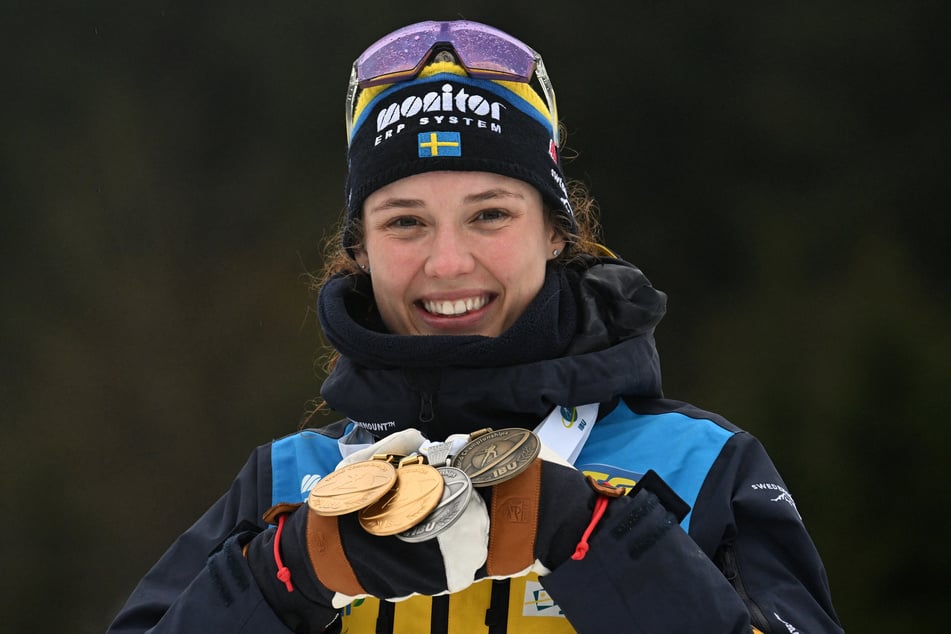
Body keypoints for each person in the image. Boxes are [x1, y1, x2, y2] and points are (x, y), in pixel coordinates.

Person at [108, 19, 843, 634]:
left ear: (555, 232)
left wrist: (600, 537)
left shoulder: (693, 464)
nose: (448, 262)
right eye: (405, 223)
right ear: (359, 249)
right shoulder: (291, 481)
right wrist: (281, 574)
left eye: (489, 214)